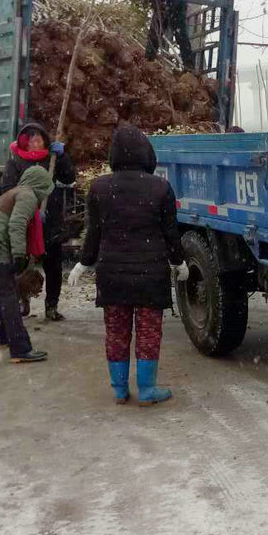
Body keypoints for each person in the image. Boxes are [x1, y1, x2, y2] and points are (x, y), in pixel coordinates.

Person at [68, 124, 189, 405]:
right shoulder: (161, 188)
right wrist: (179, 262)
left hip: (113, 274)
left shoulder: (100, 187)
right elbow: (171, 233)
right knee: (148, 332)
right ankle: (147, 390)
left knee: (116, 331)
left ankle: (120, 389)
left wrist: (83, 264)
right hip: (150, 273)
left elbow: (94, 233)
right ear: (147, 153)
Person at [0, 165, 54, 363]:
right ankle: (20, 348)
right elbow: (17, 223)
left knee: (6, 290)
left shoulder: (15, 192)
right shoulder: (28, 194)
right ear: (40, 185)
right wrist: (19, 254)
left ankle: (2, 336)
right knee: (10, 295)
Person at [1, 121, 75, 321]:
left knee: (53, 267)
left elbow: (69, 178)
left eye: (39, 138)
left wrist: (62, 156)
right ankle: (21, 301)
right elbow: (7, 190)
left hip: (50, 223)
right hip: (26, 222)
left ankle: (51, 306)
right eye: (31, 139)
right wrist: (30, 209)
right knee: (21, 265)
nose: (35, 142)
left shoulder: (52, 158)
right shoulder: (15, 163)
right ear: (24, 142)